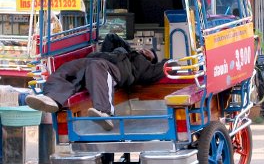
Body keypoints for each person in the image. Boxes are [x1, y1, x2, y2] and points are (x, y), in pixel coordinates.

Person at [25, 34, 166, 131]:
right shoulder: (122, 50)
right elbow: (111, 37)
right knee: (67, 68)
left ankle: (105, 113)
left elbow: (163, 69)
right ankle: (51, 98)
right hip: (94, 60)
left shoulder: (144, 66)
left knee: (97, 67)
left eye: (149, 52)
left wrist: (159, 59)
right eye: (145, 50)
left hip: (114, 70)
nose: (145, 51)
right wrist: (129, 48)